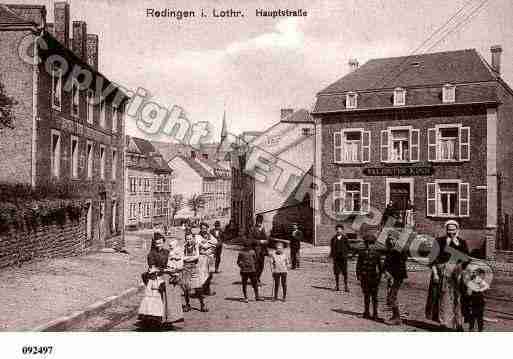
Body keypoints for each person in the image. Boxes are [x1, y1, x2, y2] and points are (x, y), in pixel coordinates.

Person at [425, 220, 470, 331]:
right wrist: (435, 273)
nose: (451, 232)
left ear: (457, 230)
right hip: (442, 274)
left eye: (453, 230)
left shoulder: (462, 242)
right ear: (446, 230)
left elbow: (466, 259)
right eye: (449, 230)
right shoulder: (439, 241)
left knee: (457, 299)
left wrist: (461, 273)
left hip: (457, 274)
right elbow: (432, 259)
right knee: (443, 299)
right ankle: (444, 324)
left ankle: (458, 324)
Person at [138, 232, 169, 327]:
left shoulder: (167, 252)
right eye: (157, 243)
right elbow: (152, 268)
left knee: (164, 298)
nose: (159, 245)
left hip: (165, 276)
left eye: (160, 242)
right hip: (155, 278)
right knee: (154, 299)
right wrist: (160, 269)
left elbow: (171, 263)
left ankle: (164, 317)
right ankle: (154, 319)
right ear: (154, 244)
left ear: (163, 242)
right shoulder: (151, 254)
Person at [356, 226, 382, 320]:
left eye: (371, 244)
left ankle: (375, 313)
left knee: (374, 296)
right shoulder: (361, 253)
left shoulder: (376, 254)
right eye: (367, 244)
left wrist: (380, 276)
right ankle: (367, 312)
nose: (369, 246)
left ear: (373, 244)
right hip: (365, 277)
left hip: (373, 277)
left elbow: (380, 267)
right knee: (366, 295)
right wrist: (358, 275)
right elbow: (358, 265)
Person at [383, 230, 408, 325]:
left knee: (392, 296)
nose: (391, 241)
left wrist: (391, 275)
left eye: (392, 239)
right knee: (391, 296)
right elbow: (386, 263)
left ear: (397, 239)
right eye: (389, 239)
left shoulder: (400, 250)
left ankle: (396, 318)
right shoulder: (390, 249)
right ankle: (395, 316)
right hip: (391, 276)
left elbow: (399, 265)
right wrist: (385, 271)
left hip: (397, 276)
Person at [182, 230, 208, 312]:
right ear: (185, 239)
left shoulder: (196, 245)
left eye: (190, 239)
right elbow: (182, 258)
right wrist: (190, 258)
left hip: (194, 268)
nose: (189, 241)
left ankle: (202, 305)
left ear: (192, 238)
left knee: (198, 287)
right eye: (187, 239)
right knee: (186, 288)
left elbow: (197, 256)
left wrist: (188, 258)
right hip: (186, 269)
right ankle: (187, 305)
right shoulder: (184, 246)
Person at [161, 238, 184, 327]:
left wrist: (174, 269)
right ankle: (169, 317)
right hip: (169, 275)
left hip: (174, 275)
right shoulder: (169, 252)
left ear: (176, 246)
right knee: (168, 298)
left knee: (174, 298)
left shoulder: (178, 252)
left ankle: (174, 317)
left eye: (172, 246)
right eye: (169, 245)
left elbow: (180, 264)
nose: (170, 247)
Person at [198, 222, 218, 296]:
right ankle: (200, 290)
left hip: (210, 257)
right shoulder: (198, 236)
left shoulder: (210, 236)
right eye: (202, 228)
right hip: (202, 258)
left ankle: (207, 290)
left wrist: (210, 247)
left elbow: (215, 243)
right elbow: (198, 245)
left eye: (205, 228)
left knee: (210, 274)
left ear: (207, 228)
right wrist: (204, 247)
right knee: (202, 274)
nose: (204, 230)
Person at [329, 224, 350, 292]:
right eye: (337, 229)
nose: (338, 231)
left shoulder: (345, 238)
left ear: (342, 230)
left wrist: (346, 254)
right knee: (336, 272)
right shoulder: (333, 239)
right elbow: (332, 248)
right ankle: (337, 285)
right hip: (336, 258)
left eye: (340, 229)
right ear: (336, 231)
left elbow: (348, 247)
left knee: (345, 272)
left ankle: (346, 286)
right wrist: (331, 255)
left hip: (343, 258)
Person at [248, 214, 269, 283]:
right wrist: (260, 241)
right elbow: (250, 240)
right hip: (255, 250)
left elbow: (266, 238)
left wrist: (266, 241)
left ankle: (258, 277)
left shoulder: (263, 229)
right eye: (258, 221)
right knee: (256, 265)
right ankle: (255, 279)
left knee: (261, 265)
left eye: (260, 222)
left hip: (262, 250)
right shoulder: (252, 229)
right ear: (256, 221)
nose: (259, 223)